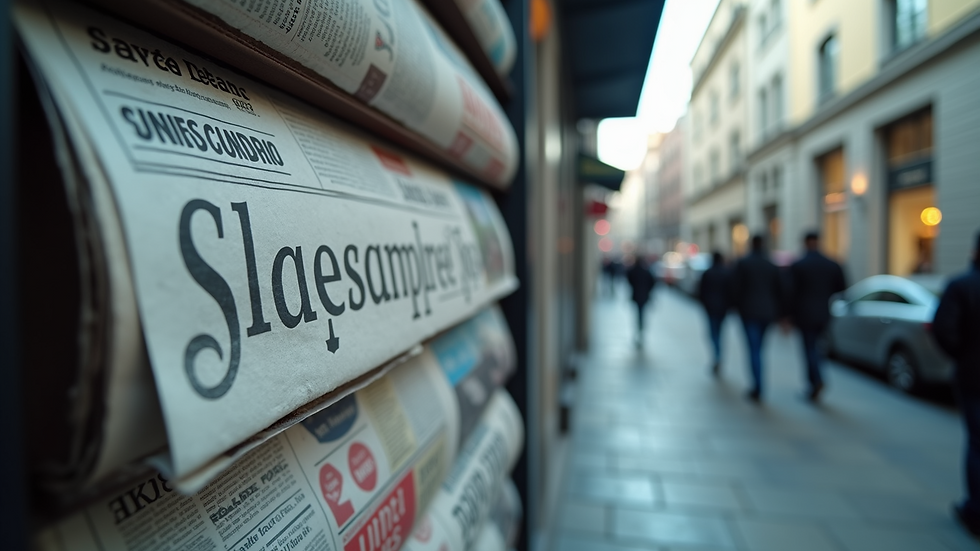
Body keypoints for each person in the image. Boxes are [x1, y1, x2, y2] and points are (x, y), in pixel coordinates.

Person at [932, 231, 980, 537]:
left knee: (977, 443)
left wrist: (963, 356)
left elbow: (943, 330)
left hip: (973, 376)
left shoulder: (962, 285)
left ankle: (975, 510)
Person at [788, 231, 846, 402]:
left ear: (805, 243)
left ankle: (815, 381)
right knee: (817, 348)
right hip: (823, 313)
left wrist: (787, 315)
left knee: (809, 349)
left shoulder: (799, 265)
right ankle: (815, 381)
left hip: (804, 314)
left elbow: (790, 292)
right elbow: (841, 287)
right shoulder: (831, 264)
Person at [731, 235, 783, 402]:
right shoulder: (771, 265)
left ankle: (757, 386)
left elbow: (735, 288)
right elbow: (780, 290)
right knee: (760, 349)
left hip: (749, 312)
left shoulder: (744, 263)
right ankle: (759, 385)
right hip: (767, 313)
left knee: (754, 349)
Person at [698, 251, 730, 376]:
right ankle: (718, 355)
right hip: (722, 309)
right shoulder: (726, 273)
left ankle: (716, 356)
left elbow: (701, 292)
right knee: (720, 333)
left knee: (713, 333)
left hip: (711, 308)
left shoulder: (708, 273)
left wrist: (705, 305)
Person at [626, 254, 656, 347]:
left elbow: (629, 278)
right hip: (644, 296)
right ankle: (641, 330)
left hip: (636, 295)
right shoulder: (646, 271)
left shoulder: (633, 270)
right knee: (641, 314)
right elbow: (652, 282)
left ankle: (639, 330)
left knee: (638, 314)